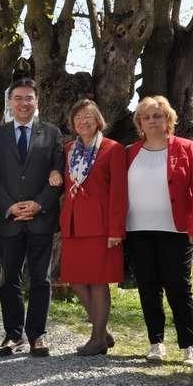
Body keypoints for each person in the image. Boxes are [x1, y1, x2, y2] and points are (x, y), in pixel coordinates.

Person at [125, 96, 193, 367]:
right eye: (146, 117)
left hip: (176, 230)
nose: (152, 121)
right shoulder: (129, 152)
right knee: (148, 288)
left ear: (168, 119)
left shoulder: (186, 147)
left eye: (157, 116)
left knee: (178, 287)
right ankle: (156, 343)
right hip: (137, 229)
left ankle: (189, 346)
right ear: (139, 122)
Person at [0, 78, 63, 358]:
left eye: (29, 98)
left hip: (41, 218)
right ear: (10, 102)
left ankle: (37, 335)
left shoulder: (52, 134)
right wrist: (9, 206)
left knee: (41, 279)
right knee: (9, 279)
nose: (23, 103)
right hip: (9, 220)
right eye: (18, 98)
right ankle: (12, 334)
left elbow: (58, 176)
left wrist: (39, 204)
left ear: (37, 102)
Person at [57, 99, 126, 356]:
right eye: (78, 118)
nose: (83, 121)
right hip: (73, 224)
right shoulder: (68, 150)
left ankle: (96, 338)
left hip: (101, 226)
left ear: (98, 119)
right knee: (74, 279)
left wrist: (116, 230)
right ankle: (102, 330)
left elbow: (119, 193)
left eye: (88, 116)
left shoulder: (113, 149)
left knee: (98, 282)